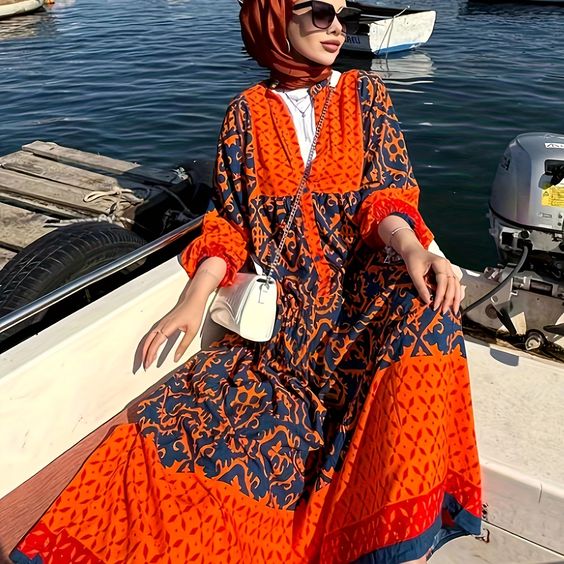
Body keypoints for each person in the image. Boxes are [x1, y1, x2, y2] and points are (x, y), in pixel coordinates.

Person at [11, 1, 482, 562]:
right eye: (319, 12)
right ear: (274, 19)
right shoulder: (246, 112)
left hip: (359, 290)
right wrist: (193, 300)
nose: (337, 27)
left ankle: (392, 515)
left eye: (343, 15)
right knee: (199, 432)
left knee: (431, 312)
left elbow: (385, 194)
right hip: (290, 308)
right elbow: (231, 226)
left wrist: (412, 247)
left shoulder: (365, 94)